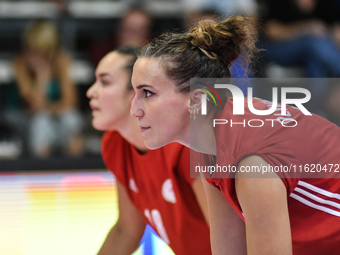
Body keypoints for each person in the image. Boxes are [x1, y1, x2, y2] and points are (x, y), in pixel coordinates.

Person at [130, 16, 340, 254]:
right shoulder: (209, 140)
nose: (133, 109)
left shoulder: (253, 159)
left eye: (147, 93)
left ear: (197, 100)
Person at [86, 46, 211, 255]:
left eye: (104, 82)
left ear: (136, 91)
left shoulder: (185, 143)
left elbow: (231, 236)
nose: (91, 92)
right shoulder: (115, 144)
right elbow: (126, 231)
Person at [13, 20, 84, 157]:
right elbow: (34, 107)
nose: (33, 56)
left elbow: (70, 103)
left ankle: (75, 165)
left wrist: (50, 109)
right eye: (30, 50)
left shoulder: (62, 61)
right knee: (42, 121)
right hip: (28, 120)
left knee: (70, 118)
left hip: (59, 116)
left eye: (39, 52)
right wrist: (42, 75)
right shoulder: (20, 63)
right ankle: (42, 167)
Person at [89, 7, 153, 66]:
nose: (133, 36)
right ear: (119, 30)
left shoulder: (155, 55)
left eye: (140, 30)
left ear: (148, 33)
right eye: (130, 30)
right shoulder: (102, 52)